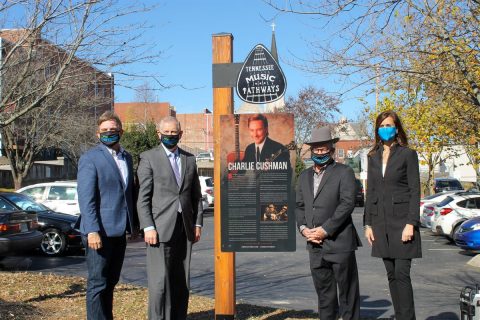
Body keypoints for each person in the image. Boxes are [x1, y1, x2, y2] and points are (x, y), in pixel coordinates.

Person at [137, 116, 203, 320]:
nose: (170, 136)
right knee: (159, 283)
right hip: (159, 229)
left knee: (181, 281)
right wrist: (148, 227)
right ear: (159, 134)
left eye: (174, 133)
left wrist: (198, 223)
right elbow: (143, 197)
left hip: (185, 229)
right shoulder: (148, 157)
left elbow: (196, 196)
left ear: (181, 134)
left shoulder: (189, 159)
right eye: (166, 133)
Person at [296, 126, 361, 320]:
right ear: (312, 150)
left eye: (324, 149)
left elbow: (347, 204)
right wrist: (304, 229)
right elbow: (299, 206)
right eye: (317, 149)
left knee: (348, 296)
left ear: (331, 150)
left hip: (340, 243)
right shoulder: (304, 176)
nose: (320, 152)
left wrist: (325, 229)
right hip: (315, 246)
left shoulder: (344, 172)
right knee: (324, 296)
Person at [77, 111, 137, 320]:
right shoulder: (89, 158)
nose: (109, 133)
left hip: (119, 231)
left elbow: (128, 193)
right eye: (105, 131)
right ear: (98, 134)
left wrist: (134, 226)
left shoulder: (127, 157)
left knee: (111, 282)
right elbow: (87, 199)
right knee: (97, 284)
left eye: (113, 130)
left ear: (121, 131)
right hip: (98, 233)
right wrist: (92, 230)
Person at [364, 110, 421, 320]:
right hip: (380, 223)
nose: (385, 129)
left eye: (389, 125)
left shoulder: (407, 154)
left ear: (396, 129)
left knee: (401, 274)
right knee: (390, 275)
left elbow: (415, 190)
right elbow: (371, 191)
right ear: (377, 130)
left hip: (402, 223)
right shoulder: (372, 156)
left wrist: (411, 223)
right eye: (382, 125)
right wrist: (367, 224)